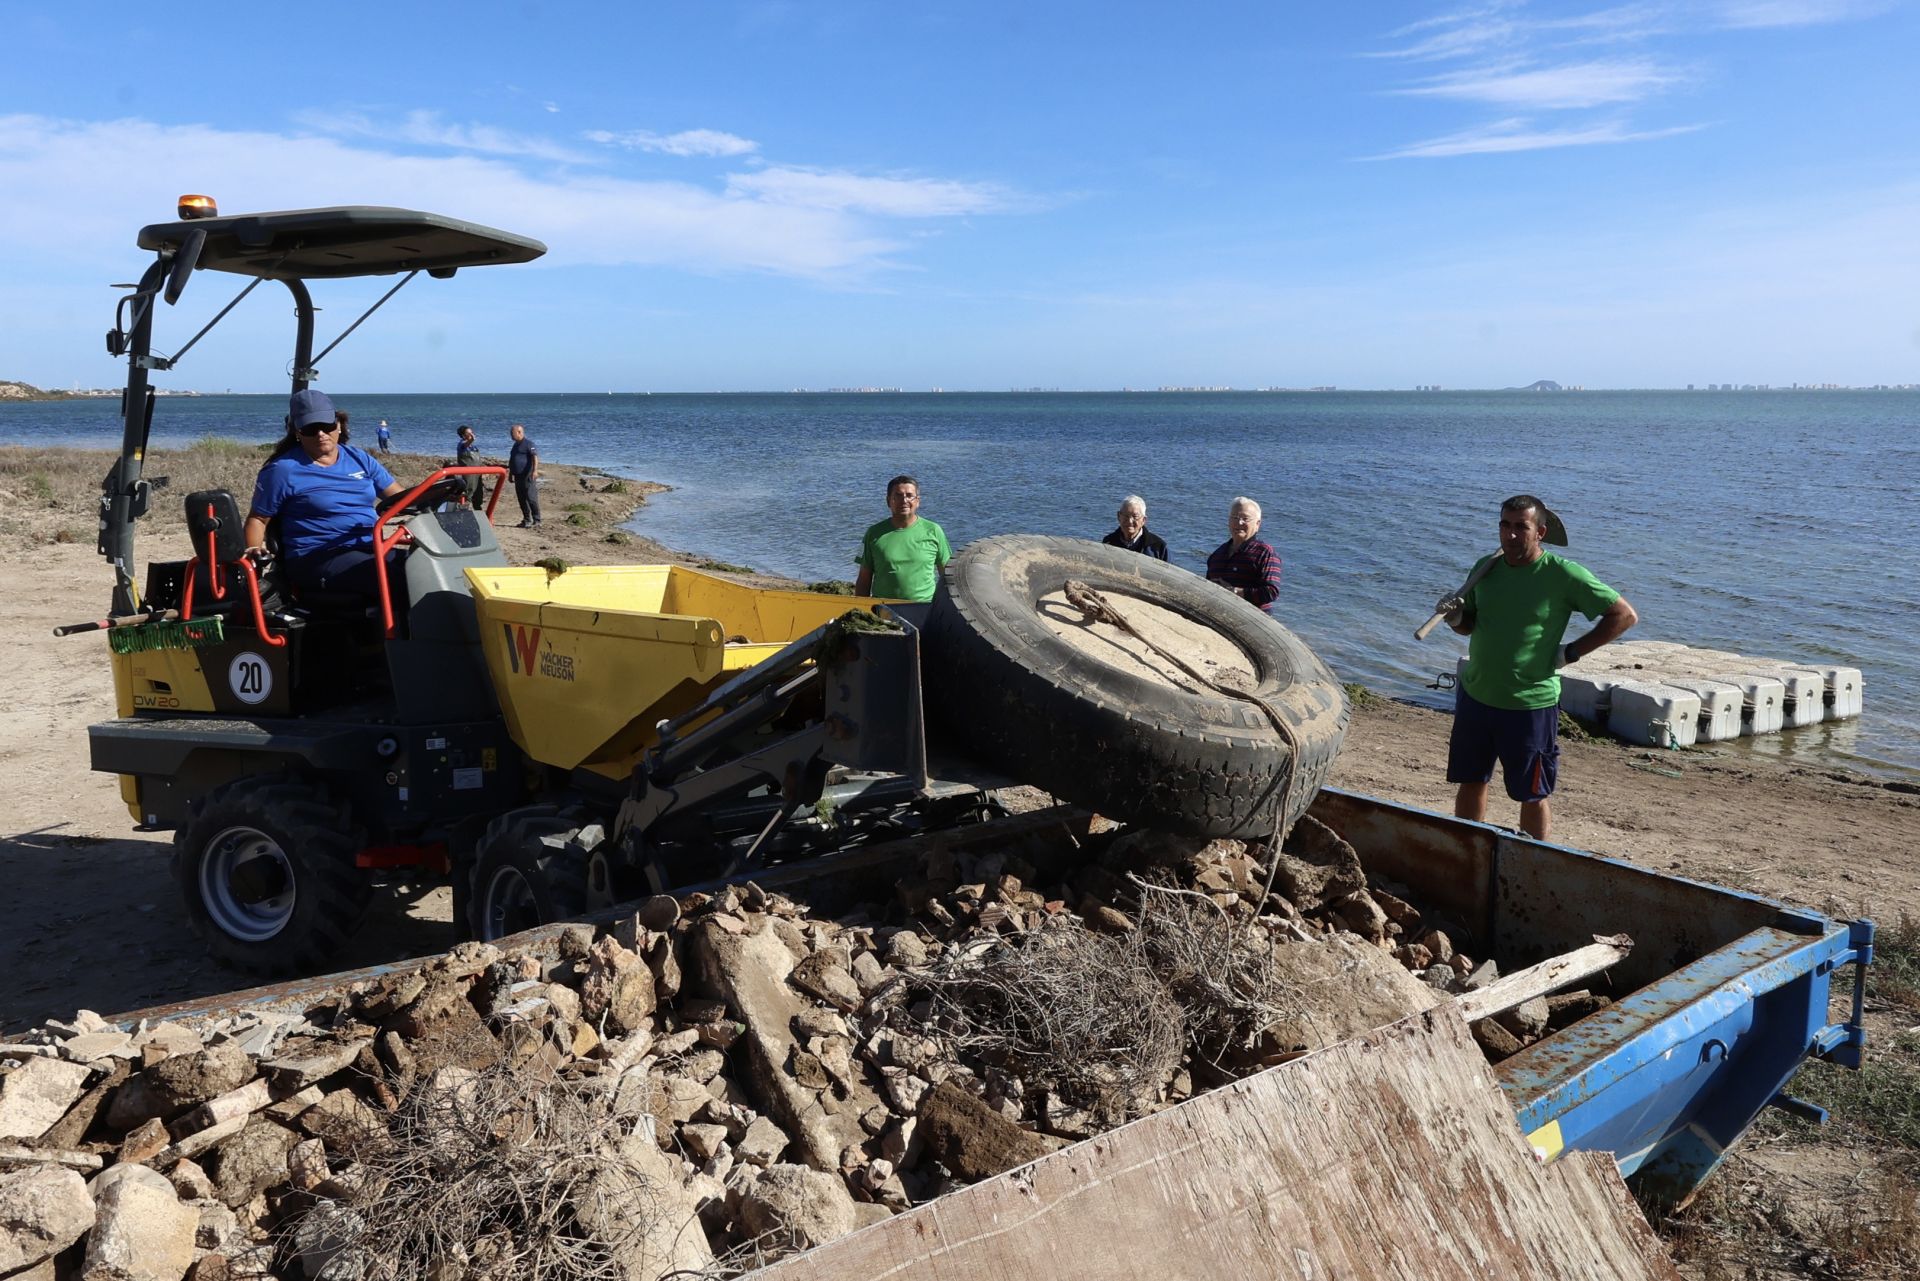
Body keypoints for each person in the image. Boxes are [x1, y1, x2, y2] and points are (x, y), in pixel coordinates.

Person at [1443, 494, 1638, 841]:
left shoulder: (1562, 575)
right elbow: (1470, 624)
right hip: (1476, 695)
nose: (1511, 535)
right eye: (1505, 525)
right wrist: (1455, 618)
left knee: (1531, 793)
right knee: (1471, 781)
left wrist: (1571, 653)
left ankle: (1534, 859)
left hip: (1529, 705)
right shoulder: (1485, 568)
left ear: (1541, 532)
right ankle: (1466, 848)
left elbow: (1623, 616)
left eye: (1522, 527)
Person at [244, 389, 406, 597]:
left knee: (427, 568)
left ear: (338, 425)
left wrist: (444, 491)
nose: (320, 434)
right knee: (395, 580)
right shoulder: (283, 470)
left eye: (326, 426)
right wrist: (254, 551)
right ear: (297, 432)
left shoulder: (359, 458)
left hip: (369, 546)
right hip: (317, 555)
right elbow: (258, 518)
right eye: (310, 429)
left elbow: (402, 499)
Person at [854, 474, 951, 601]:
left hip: (924, 608)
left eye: (910, 496)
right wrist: (860, 609)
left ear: (917, 501)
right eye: (898, 496)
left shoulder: (933, 531)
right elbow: (864, 579)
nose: (904, 500)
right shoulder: (874, 533)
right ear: (888, 501)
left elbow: (948, 576)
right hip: (883, 608)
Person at [1205, 496, 1281, 613]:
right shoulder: (1217, 554)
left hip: (1252, 620)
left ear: (1257, 524)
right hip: (1217, 615)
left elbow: (1271, 592)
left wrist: (1234, 592)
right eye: (1234, 517)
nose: (1239, 522)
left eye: (1245, 518)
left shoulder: (1265, 553)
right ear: (1229, 521)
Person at [1101, 495, 1168, 560]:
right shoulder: (1108, 542)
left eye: (1135, 517)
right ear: (1119, 516)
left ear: (1143, 520)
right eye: (1126, 516)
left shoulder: (1158, 547)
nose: (1130, 521)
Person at [507, 423, 541, 527]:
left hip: (528, 475)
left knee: (531, 498)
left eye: (512, 433)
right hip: (518, 476)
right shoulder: (515, 445)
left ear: (519, 432)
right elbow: (512, 459)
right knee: (521, 499)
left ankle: (537, 520)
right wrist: (510, 473)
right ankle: (526, 520)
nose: (511, 435)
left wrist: (535, 471)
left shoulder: (528, 444)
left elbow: (535, 457)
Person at [455, 425, 484, 503]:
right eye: (469, 433)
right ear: (464, 436)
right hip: (468, 475)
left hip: (477, 474)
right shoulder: (461, 445)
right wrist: (471, 440)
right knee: (468, 493)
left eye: (472, 432)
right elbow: (465, 444)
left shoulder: (474, 447)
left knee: (478, 494)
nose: (472, 434)